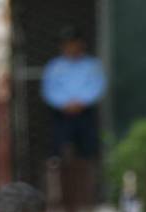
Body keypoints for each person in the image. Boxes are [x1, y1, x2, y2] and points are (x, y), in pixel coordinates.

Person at [40, 26, 105, 161]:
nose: (70, 47)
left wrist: (81, 102)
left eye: (73, 43)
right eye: (66, 44)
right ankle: (60, 179)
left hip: (85, 112)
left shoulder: (92, 65)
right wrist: (65, 104)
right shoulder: (54, 66)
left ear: (81, 44)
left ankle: (89, 179)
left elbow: (97, 86)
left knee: (88, 149)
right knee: (59, 150)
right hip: (62, 114)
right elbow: (49, 90)